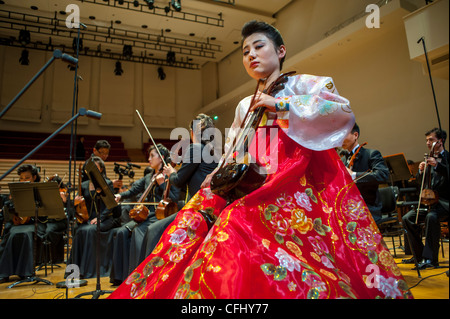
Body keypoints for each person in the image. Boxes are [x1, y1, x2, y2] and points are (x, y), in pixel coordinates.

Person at [108, 20, 412, 299]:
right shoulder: (245, 105)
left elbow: (340, 112)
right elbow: (235, 151)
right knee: (188, 223)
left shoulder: (303, 85)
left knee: (234, 224)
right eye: (245, 52)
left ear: (280, 51)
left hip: (294, 182)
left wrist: (280, 105)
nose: (251, 55)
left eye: (259, 46)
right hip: (252, 180)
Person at [134, 114, 219, 270]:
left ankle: (147, 276)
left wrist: (171, 172)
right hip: (208, 207)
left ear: (193, 132)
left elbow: (179, 180)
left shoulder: (196, 148)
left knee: (153, 231)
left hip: (196, 208)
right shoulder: (212, 150)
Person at [109, 144, 180, 284]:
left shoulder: (171, 175)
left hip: (160, 215)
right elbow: (133, 190)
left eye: (152, 156)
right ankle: (121, 276)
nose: (149, 159)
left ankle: (139, 274)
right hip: (146, 214)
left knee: (138, 231)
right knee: (121, 232)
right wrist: (120, 196)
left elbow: (175, 198)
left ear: (161, 158)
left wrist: (162, 184)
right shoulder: (149, 177)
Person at [0, 165, 67, 282]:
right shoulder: (18, 190)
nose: (23, 180)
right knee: (11, 232)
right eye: (21, 178)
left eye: (27, 178)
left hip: (37, 224)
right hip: (21, 224)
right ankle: (5, 272)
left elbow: (47, 212)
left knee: (27, 234)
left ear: (34, 177)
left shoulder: (41, 190)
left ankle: (26, 271)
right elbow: (9, 208)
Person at [402, 128, 449, 269]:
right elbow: (420, 184)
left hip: (444, 203)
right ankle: (419, 254)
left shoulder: (447, 158)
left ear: (440, 141)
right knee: (407, 218)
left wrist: (438, 165)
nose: (428, 143)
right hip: (429, 204)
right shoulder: (428, 159)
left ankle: (430, 260)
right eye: (427, 140)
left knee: (431, 217)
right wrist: (421, 172)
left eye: (431, 140)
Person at [69, 156, 120, 279]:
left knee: (90, 230)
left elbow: (110, 205)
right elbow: (78, 203)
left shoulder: (107, 183)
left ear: (101, 169)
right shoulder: (84, 184)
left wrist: (100, 218)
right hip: (89, 219)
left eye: (95, 168)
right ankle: (75, 270)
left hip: (106, 218)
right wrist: (74, 202)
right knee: (78, 228)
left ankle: (89, 270)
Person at [341, 123, 390, 224]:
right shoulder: (342, 160)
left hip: (369, 207)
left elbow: (383, 175)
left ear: (355, 135)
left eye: (344, 135)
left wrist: (354, 175)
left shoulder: (371, 154)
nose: (340, 139)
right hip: (349, 207)